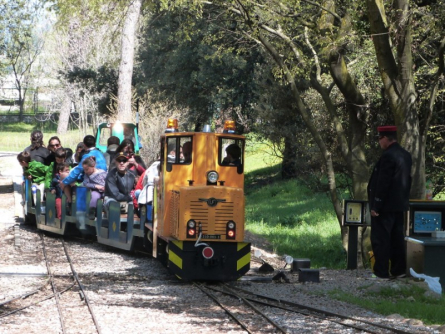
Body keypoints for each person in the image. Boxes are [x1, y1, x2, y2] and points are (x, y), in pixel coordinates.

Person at [367, 125, 412, 279]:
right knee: (397, 238)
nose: (379, 142)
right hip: (399, 205)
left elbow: (383, 183)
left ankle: (381, 272)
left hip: (384, 206)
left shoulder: (388, 156)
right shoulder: (405, 155)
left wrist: (376, 205)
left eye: (380, 138)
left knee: (381, 239)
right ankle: (399, 270)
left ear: (385, 138)